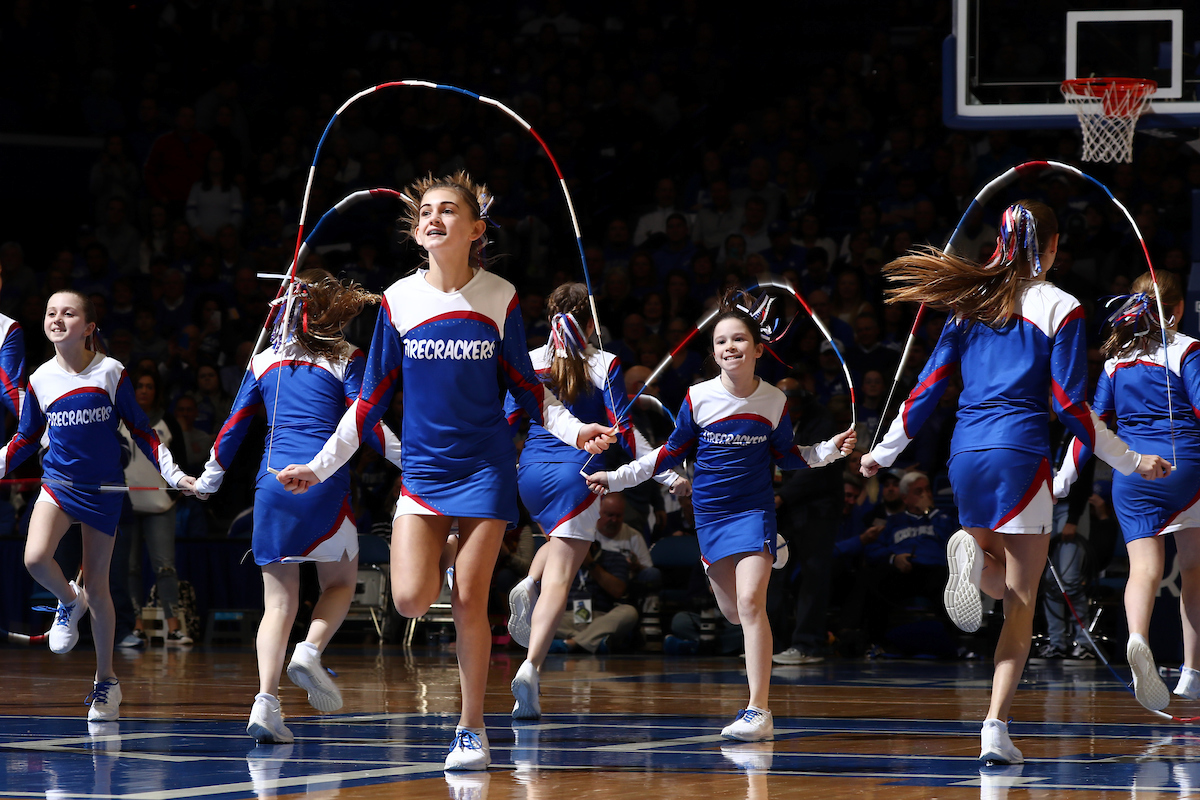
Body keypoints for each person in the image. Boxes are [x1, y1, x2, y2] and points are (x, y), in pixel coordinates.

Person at [275, 172, 614, 771]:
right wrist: (322, 465)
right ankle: (451, 546)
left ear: (474, 228)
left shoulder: (499, 295)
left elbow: (526, 388)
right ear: (416, 229)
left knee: (468, 598)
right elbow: (370, 401)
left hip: (485, 468)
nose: (434, 218)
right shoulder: (398, 301)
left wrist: (573, 430)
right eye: (425, 211)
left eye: (448, 210)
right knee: (409, 599)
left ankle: (471, 728)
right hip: (424, 473)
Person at [860, 200, 1171, 765]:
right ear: (1052, 247)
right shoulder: (1063, 305)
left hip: (965, 451)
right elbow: (1069, 405)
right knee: (1022, 604)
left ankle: (974, 561)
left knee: (999, 578)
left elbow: (927, 386)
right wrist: (1132, 461)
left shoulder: (968, 303)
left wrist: (883, 453)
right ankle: (994, 728)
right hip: (1021, 453)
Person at [587, 289, 856, 742]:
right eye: (720, 342)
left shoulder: (773, 401)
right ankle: (775, 553)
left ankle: (758, 709)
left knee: (752, 605)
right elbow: (668, 455)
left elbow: (789, 457)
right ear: (713, 353)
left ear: (757, 347)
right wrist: (615, 478)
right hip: (710, 516)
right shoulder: (697, 398)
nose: (728, 347)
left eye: (737, 339)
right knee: (733, 613)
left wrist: (830, 450)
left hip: (754, 510)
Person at [189, 270, 399, 742]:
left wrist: (209, 478)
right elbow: (366, 423)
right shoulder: (348, 357)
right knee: (342, 581)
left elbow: (233, 425)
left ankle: (266, 702)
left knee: (277, 605)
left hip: (272, 485)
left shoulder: (262, 362)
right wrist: (414, 462)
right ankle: (309, 651)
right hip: (321, 481)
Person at [503, 288, 687, 723]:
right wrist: (668, 475)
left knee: (557, 541)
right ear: (591, 323)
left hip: (528, 473)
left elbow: (506, 422)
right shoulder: (603, 363)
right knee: (562, 580)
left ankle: (528, 583)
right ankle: (530, 667)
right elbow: (626, 434)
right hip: (579, 474)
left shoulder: (530, 361)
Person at [5, 291, 189, 722]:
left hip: (104, 491)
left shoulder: (111, 372)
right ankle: (70, 601)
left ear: (88, 327)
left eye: (68, 313)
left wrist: (175, 474)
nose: (57, 318)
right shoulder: (39, 379)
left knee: (102, 588)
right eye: (51, 312)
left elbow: (143, 431)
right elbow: (26, 438)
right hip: (58, 484)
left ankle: (105, 681)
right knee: (35, 558)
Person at [1053, 271, 1200, 711]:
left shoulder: (1116, 362)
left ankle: (1138, 637)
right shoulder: (1187, 348)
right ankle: (1192, 674)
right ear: (1175, 309)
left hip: (1132, 474)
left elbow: (1091, 428)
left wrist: (1063, 479)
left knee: (1144, 571)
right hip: (1184, 467)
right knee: (1193, 571)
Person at [121, 368, 190, 645]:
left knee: (165, 567)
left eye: (149, 386)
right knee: (130, 568)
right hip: (126, 505)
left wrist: (174, 496)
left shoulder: (167, 420)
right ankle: (137, 625)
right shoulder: (119, 419)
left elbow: (182, 461)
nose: (144, 390)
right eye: (139, 385)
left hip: (161, 506)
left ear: (156, 390)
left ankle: (173, 626)